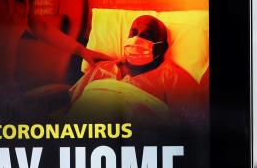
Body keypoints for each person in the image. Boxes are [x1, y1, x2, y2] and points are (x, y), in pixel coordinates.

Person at [68, 14, 203, 121]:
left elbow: (196, 128)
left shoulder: (174, 79)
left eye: (146, 36)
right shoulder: (101, 68)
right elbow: (73, 107)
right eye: (133, 33)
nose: (136, 39)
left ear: (161, 47)